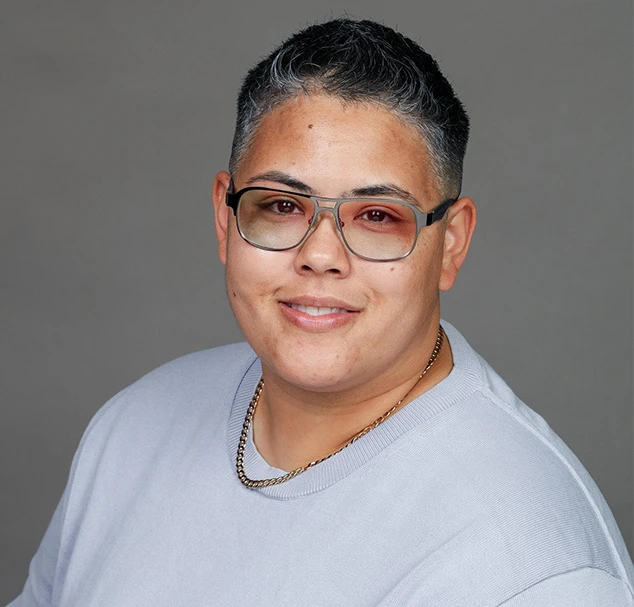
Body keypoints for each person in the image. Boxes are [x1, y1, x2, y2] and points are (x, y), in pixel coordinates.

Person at [9, 18, 633, 607]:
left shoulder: (530, 572)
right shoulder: (132, 429)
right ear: (226, 219)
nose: (320, 256)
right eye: (282, 206)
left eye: (378, 216)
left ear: (451, 244)